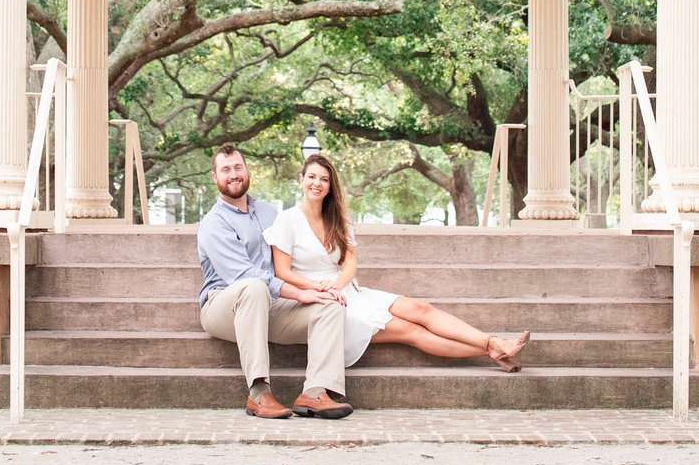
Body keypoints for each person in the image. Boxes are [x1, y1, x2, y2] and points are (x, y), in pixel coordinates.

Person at [268, 153, 530, 371]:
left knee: (421, 308)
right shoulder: (287, 220)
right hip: (322, 301)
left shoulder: (338, 219)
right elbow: (282, 271)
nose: (317, 183)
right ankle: (492, 348)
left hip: (346, 290)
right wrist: (322, 289)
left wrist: (336, 284)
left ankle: (492, 343)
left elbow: (350, 264)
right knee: (410, 331)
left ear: (330, 185)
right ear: (301, 180)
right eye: (312, 177)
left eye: (324, 179)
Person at [195, 145, 353, 419]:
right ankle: (259, 393)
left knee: (329, 305)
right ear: (215, 177)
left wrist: (320, 287)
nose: (233, 174)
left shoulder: (269, 213)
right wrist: (298, 293)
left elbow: (288, 260)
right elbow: (243, 276)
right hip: (223, 308)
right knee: (254, 288)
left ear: (247, 171)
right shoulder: (214, 223)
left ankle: (316, 391)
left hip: (269, 307)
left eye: (238, 167)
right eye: (226, 170)